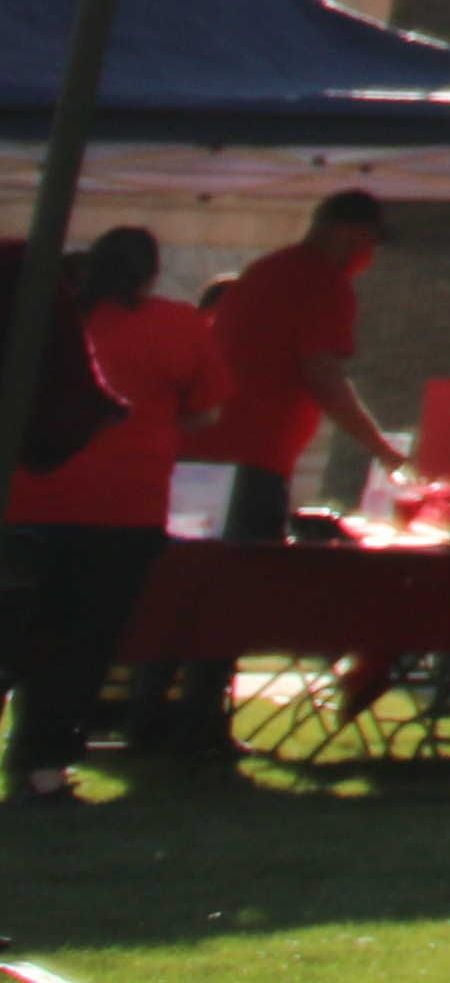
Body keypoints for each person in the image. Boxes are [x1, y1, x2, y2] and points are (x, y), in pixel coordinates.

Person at [5, 232, 214, 801]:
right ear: (151, 274)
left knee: (12, 633)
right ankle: (43, 771)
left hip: (25, 497)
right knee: (79, 645)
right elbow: (205, 411)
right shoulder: (178, 325)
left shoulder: (44, 317)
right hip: (121, 509)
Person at [200, 191, 396, 536]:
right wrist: (384, 451)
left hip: (203, 453)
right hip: (252, 463)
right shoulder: (324, 284)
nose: (371, 255)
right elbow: (325, 379)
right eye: (372, 242)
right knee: (244, 578)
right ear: (355, 235)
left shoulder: (266, 270)